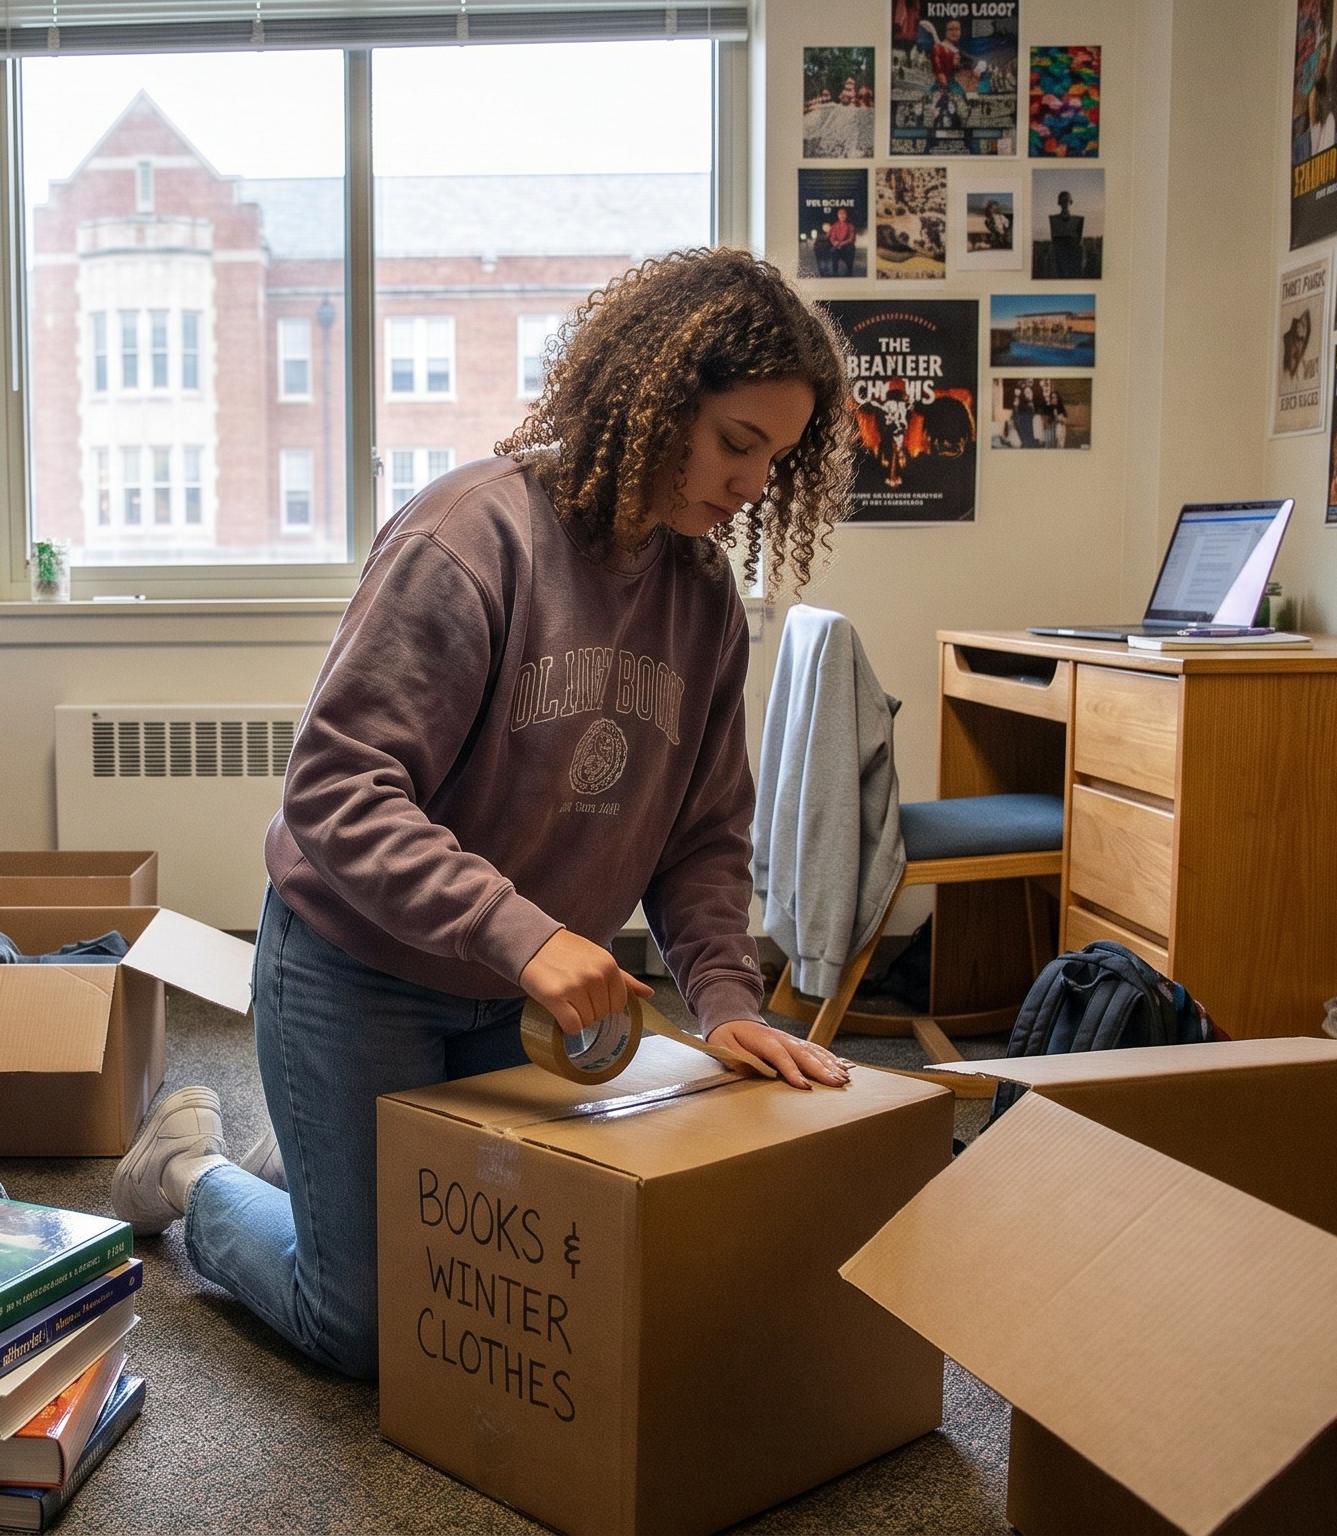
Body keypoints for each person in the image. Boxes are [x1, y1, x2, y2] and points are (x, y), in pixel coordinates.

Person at [106, 250, 860, 1381]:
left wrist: (724, 1002)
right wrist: (532, 935)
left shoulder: (702, 597)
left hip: (519, 998)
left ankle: (309, 1152)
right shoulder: (468, 536)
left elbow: (703, 836)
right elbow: (333, 789)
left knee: (514, 1286)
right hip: (356, 967)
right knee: (365, 1329)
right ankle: (190, 1173)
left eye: (778, 459)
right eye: (736, 444)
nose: (753, 484)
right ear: (650, 401)